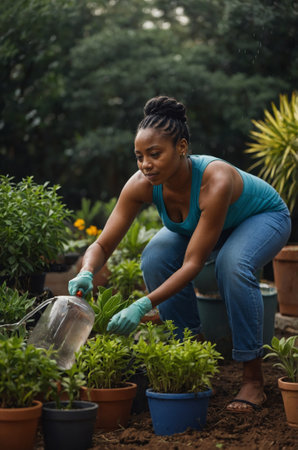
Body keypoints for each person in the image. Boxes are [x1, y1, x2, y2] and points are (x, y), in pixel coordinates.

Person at [68, 95, 291, 413]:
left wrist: (143, 304)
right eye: (139, 156)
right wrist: (87, 270)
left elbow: (193, 263)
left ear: (182, 147)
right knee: (155, 256)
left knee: (232, 264)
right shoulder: (142, 184)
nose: (146, 164)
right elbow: (103, 244)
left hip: (262, 218)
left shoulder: (214, 180)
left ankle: (253, 379)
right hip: (205, 225)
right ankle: (195, 357)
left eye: (155, 154)